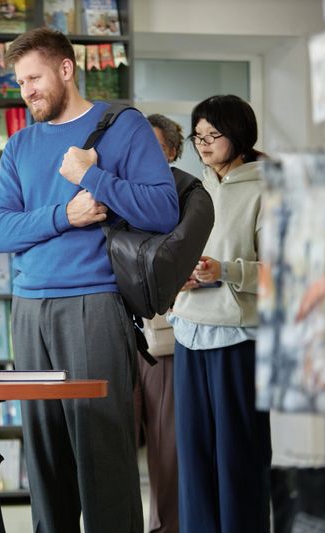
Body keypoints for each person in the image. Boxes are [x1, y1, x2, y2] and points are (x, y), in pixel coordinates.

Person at [0, 27, 179, 533]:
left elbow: (163, 209)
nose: (26, 90)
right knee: (45, 458)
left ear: (66, 69)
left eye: (34, 77)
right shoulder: (19, 145)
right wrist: (64, 216)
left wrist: (93, 176)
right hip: (29, 312)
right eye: (20, 81)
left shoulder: (123, 126)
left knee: (104, 454)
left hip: (94, 304)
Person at [168, 94, 271, 533]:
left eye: (214, 135)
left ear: (240, 135)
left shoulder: (271, 188)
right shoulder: (196, 189)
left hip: (239, 339)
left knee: (237, 456)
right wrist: (182, 275)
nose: (204, 145)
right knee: (193, 457)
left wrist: (223, 271)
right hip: (189, 333)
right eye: (198, 137)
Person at [132, 113, 185, 533]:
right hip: (112, 332)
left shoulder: (185, 195)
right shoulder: (119, 192)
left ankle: (166, 526)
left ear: (170, 152)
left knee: (166, 446)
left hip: (160, 338)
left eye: (152, 146)